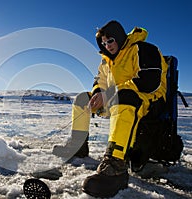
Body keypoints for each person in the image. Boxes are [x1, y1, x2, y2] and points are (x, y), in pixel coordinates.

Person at [52, 20, 168, 197]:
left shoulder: (143, 49)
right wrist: (98, 93)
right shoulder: (106, 61)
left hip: (147, 100)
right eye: (104, 43)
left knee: (125, 97)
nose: (107, 45)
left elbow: (149, 82)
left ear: (120, 37)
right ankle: (78, 145)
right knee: (82, 99)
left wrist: (109, 94)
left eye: (111, 40)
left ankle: (116, 166)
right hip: (116, 98)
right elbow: (99, 81)